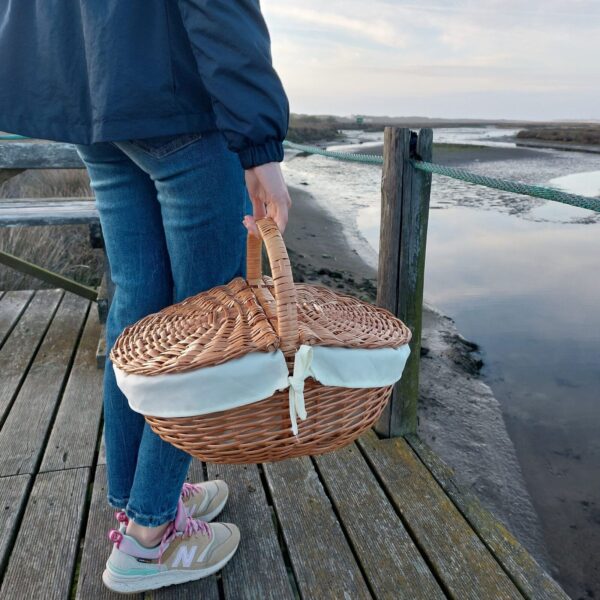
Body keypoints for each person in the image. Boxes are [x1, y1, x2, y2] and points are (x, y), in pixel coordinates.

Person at [0, 1, 291, 593]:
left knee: (139, 309)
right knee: (200, 324)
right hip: (172, 96)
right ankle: (149, 537)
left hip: (87, 91)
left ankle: (136, 499)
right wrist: (261, 147)